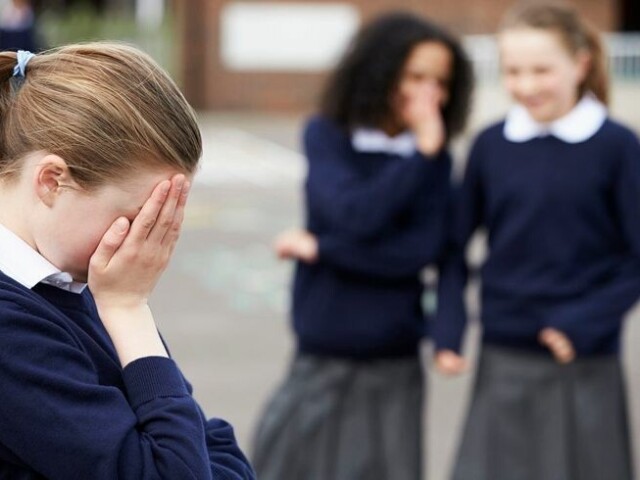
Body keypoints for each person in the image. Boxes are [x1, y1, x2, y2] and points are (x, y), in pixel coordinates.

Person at [0, 44, 255, 479]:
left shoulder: (78, 285)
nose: (149, 244)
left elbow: (208, 444)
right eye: (140, 218)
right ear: (51, 181)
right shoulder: (14, 327)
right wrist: (128, 309)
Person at [252, 11, 473, 480]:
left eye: (441, 82)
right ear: (379, 71)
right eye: (415, 76)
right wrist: (421, 154)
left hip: (394, 356)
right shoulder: (328, 136)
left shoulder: (435, 157)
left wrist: (324, 249)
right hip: (323, 347)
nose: (428, 95)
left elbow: (422, 252)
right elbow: (356, 216)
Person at [433, 3, 640, 479]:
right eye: (513, 71)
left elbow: (635, 258)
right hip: (502, 356)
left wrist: (583, 322)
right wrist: (449, 328)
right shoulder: (490, 145)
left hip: (584, 360)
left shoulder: (617, 146)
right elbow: (454, 247)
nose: (526, 86)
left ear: (581, 63)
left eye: (542, 70)